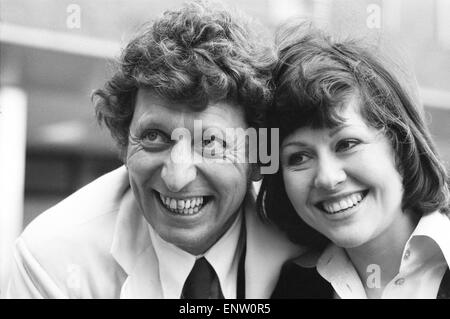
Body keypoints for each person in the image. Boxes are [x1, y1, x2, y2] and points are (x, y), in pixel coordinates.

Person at [6, 1, 301, 299]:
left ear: (258, 157)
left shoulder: (309, 239)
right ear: (124, 142)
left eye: (211, 142)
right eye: (154, 136)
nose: (177, 177)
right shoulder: (51, 258)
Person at [258, 23, 450, 299]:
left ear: (400, 145)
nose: (327, 177)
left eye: (346, 144)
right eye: (298, 157)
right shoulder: (286, 288)